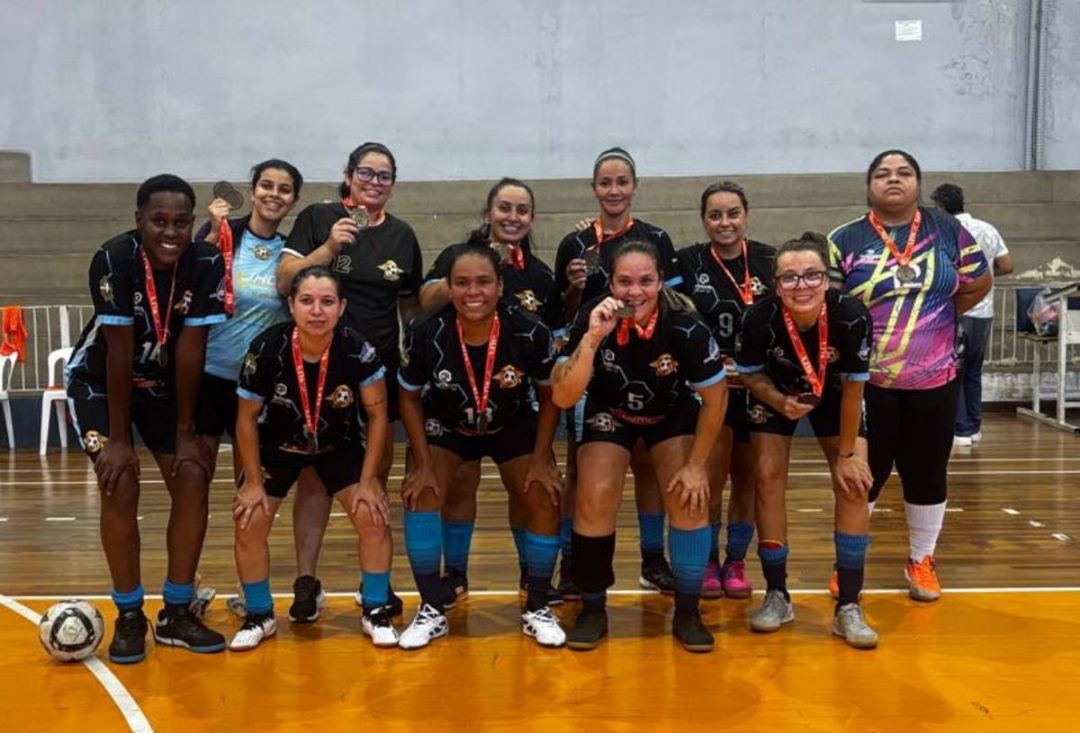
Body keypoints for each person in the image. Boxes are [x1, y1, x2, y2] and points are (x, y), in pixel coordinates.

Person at [65, 174, 228, 663]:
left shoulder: (206, 261)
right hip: (100, 381)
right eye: (159, 221)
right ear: (139, 220)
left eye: (182, 222)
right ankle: (130, 613)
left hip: (163, 385)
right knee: (120, 482)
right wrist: (119, 441)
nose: (171, 232)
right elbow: (118, 353)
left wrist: (185, 433)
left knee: (193, 474)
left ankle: (176, 612)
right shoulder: (113, 258)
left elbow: (192, 348)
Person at [829, 150, 991, 602]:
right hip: (868, 383)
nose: (893, 179)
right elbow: (831, 306)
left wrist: (938, 317)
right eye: (882, 174)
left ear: (918, 183)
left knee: (927, 472)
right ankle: (848, 563)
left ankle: (922, 560)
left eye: (904, 173)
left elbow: (979, 281)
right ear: (869, 186)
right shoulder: (844, 239)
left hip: (935, 379)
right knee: (864, 476)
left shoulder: (948, 230)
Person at [551, 241, 728, 652]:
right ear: (611, 284)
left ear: (660, 281)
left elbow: (717, 398)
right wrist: (592, 339)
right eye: (624, 281)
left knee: (688, 497)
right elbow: (562, 396)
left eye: (645, 281)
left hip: (670, 412)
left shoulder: (684, 324)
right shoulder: (593, 315)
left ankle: (688, 611)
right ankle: (592, 608)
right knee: (594, 494)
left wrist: (696, 466)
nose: (635, 291)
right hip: (610, 410)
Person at [277, 142, 421, 619]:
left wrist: (414, 348)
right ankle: (306, 581)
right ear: (348, 174)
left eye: (384, 176)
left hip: (378, 371)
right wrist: (328, 248)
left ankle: (373, 583)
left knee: (375, 473)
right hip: (318, 368)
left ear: (393, 184)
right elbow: (285, 280)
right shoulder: (319, 218)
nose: (374, 182)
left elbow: (409, 305)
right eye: (366, 172)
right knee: (315, 475)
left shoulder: (402, 235)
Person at [397, 244, 564, 649]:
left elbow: (550, 397)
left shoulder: (529, 331)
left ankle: (538, 604)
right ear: (449, 287)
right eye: (462, 283)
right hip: (447, 422)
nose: (473, 292)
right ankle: (433, 606)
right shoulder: (427, 332)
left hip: (511, 421)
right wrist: (421, 462)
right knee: (422, 492)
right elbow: (408, 397)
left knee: (543, 492)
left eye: (484, 282)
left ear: (500, 285)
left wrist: (543, 458)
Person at [230, 266, 395, 650]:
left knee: (372, 516)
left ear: (342, 307)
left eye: (327, 302)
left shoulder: (358, 349)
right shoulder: (266, 348)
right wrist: (252, 482)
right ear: (291, 305)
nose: (317, 311)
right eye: (307, 301)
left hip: (338, 445)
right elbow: (246, 419)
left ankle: (375, 609)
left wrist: (369, 480)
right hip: (279, 446)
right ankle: (260, 614)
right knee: (249, 520)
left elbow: (377, 415)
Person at [418, 178, 563, 605]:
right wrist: (473, 271)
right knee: (461, 484)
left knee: (528, 487)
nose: (512, 217)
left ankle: (531, 575)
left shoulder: (540, 274)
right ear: (488, 214)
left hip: (512, 404)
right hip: (453, 400)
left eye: (522, 210)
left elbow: (553, 335)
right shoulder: (456, 255)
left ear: (531, 218)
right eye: (504, 208)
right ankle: (455, 575)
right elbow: (425, 300)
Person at [553, 147, 684, 597]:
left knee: (649, 464)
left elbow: (675, 303)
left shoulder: (656, 238)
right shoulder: (574, 243)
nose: (614, 190)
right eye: (605, 182)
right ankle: (573, 562)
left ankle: (653, 558)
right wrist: (574, 288)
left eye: (622, 181)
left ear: (635, 186)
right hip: (595, 364)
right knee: (582, 469)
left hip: (649, 362)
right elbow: (563, 312)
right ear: (594, 188)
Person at [737, 233, 878, 649]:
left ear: (827, 279)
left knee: (853, 483)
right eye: (790, 277)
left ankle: (848, 605)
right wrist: (777, 400)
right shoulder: (758, 318)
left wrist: (848, 455)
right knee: (766, 477)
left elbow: (854, 390)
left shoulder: (851, 315)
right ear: (776, 284)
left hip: (835, 395)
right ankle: (777, 594)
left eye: (812, 275)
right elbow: (749, 374)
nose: (802, 285)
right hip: (776, 392)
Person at [676, 180, 773, 599]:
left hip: (757, 388)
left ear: (746, 215)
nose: (724, 222)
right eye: (715, 215)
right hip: (710, 391)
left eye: (733, 213)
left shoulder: (769, 260)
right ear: (703, 220)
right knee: (710, 478)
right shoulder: (688, 262)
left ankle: (736, 560)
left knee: (748, 478)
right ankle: (707, 560)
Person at [195, 159, 303, 469]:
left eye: (284, 190)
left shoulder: (291, 252)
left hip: (258, 382)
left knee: (252, 481)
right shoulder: (224, 233)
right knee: (196, 473)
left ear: (293, 200)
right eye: (266, 186)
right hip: (209, 374)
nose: (274, 194)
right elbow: (191, 277)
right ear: (253, 192)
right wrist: (213, 230)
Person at [930, 183, 1013, 447]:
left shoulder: (942, 231)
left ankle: (961, 430)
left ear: (940, 207)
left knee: (953, 371)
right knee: (974, 371)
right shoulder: (987, 229)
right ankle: (975, 427)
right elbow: (1006, 265)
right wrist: (982, 277)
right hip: (984, 311)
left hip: (954, 309)